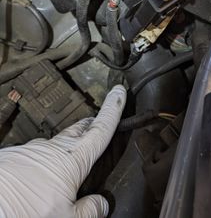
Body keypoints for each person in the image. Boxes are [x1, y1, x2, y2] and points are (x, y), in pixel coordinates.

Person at [0, 84, 126, 218]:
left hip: (47, 163)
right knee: (92, 125)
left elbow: (100, 203)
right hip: (29, 155)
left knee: (96, 129)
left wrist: (5, 107)